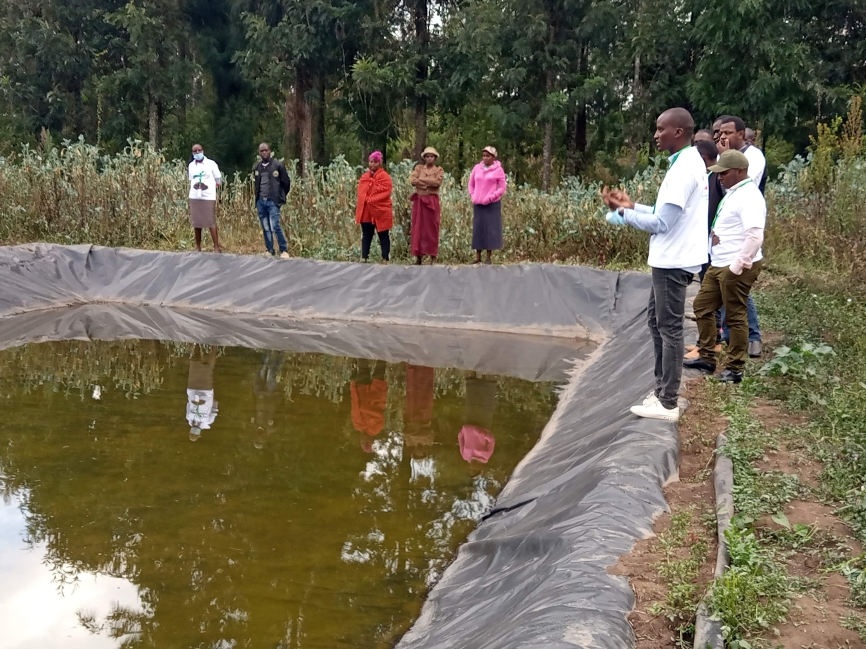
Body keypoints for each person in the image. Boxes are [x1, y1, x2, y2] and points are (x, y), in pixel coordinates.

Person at [602, 108, 709, 422]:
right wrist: (631, 205)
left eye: (661, 129)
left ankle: (667, 402)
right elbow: (667, 212)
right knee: (656, 321)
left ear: (678, 132)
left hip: (673, 261)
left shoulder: (684, 169)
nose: (655, 134)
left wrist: (623, 215)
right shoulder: (685, 163)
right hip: (668, 259)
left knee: (670, 328)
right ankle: (661, 389)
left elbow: (662, 223)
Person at [684, 150, 765, 383]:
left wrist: (737, 267)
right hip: (719, 263)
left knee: (735, 316)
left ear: (740, 171)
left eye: (725, 173)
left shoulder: (749, 196)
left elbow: (754, 236)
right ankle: (708, 357)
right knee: (702, 306)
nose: (720, 177)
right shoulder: (734, 192)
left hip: (734, 265)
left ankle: (735, 368)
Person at [717, 115, 765, 356]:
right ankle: (729, 335)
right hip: (726, 235)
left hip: (742, 232)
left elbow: (741, 186)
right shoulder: (724, 159)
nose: (722, 137)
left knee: (738, 287)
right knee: (727, 289)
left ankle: (753, 337)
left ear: (741, 134)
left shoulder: (753, 157)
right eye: (720, 134)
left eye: (727, 133)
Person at [468, 146, 507, 264]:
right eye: (484, 155)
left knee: (490, 229)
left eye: (488, 156)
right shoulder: (477, 168)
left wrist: (491, 197)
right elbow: (471, 184)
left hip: (492, 204)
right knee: (478, 228)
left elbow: (502, 187)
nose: (485, 158)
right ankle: (478, 256)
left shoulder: (498, 170)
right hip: (478, 203)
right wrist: (472, 195)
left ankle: (488, 257)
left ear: (493, 157)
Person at [253, 142, 292, 258]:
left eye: (266, 150)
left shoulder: (278, 165)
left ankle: (283, 250)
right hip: (261, 201)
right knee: (265, 226)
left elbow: (286, 182)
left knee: (275, 225)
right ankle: (269, 249)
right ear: (259, 153)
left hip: (273, 201)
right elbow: (256, 184)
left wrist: (280, 196)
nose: (264, 153)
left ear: (270, 151)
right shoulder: (257, 167)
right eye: (262, 151)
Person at [355, 151, 393, 263]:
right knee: (366, 234)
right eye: (371, 162)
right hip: (366, 211)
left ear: (380, 163)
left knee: (383, 235)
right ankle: (364, 257)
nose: (372, 164)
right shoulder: (364, 177)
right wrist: (367, 200)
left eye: (375, 162)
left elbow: (385, 192)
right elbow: (361, 193)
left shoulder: (385, 177)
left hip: (381, 210)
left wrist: (371, 199)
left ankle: (385, 258)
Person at [409, 147, 445, 265]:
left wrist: (422, 181)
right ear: (424, 158)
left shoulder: (439, 170)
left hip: (432, 202)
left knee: (432, 229)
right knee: (418, 228)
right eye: (427, 156)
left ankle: (433, 256)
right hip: (419, 202)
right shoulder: (419, 168)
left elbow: (437, 183)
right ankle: (418, 257)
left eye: (432, 156)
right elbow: (413, 180)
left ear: (435, 158)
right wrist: (427, 185)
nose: (429, 158)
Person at [187, 144, 222, 253]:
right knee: (196, 222)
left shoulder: (211, 164)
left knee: (210, 220)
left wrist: (212, 187)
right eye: (194, 151)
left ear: (203, 150)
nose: (197, 153)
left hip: (208, 196)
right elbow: (190, 178)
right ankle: (198, 247)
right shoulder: (191, 165)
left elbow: (218, 179)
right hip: (195, 196)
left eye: (199, 150)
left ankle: (216, 247)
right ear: (192, 153)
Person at [458, 372, 496, 464]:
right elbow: (491, 440)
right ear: (480, 469)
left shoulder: (465, 456)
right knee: (486, 398)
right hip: (484, 423)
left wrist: (463, 431)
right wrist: (481, 433)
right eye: (475, 471)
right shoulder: (486, 456)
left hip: (470, 421)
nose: (472, 468)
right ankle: (487, 371)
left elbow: (460, 439)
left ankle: (472, 371)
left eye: (471, 470)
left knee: (472, 395)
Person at [351, 359, 388, 452]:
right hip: (376, 397)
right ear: (372, 441)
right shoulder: (375, 429)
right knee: (379, 372)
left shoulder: (357, 426)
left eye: (363, 442)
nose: (364, 440)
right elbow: (379, 415)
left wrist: (353, 391)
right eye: (367, 442)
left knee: (363, 369)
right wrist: (365, 409)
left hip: (361, 392)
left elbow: (354, 408)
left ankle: (363, 349)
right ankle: (383, 351)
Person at [186, 346, 219, 441]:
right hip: (192, 389)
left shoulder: (208, 421)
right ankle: (197, 344)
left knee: (209, 369)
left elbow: (215, 408)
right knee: (195, 365)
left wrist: (212, 400)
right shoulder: (189, 419)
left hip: (206, 392)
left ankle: (214, 347)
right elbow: (188, 404)